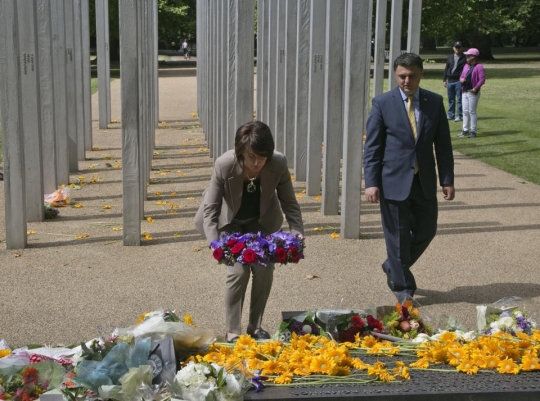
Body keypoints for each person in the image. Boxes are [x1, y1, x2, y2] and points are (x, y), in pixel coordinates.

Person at [195, 121, 304, 343]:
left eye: (262, 158)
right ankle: (233, 330)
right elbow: (211, 209)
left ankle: (255, 326)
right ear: (241, 152)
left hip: (261, 222)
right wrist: (215, 244)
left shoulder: (278, 163)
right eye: (251, 156)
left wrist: (297, 232)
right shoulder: (224, 165)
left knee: (264, 268)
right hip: (230, 222)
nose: (256, 163)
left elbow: (289, 202)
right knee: (238, 271)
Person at [363, 53, 455, 303]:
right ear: (395, 75)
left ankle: (393, 265)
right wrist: (370, 183)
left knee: (427, 230)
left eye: (412, 76)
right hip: (392, 180)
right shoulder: (382, 103)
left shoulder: (434, 102)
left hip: (423, 180)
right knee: (398, 236)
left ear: (421, 75)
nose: (406, 81)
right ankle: (404, 289)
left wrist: (447, 179)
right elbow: (372, 147)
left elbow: (443, 145)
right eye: (402, 76)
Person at [457, 48, 486, 138]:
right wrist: (461, 79)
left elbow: (482, 79)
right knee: (465, 111)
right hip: (464, 91)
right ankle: (465, 130)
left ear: (474, 57)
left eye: (468, 55)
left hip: (473, 92)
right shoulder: (466, 66)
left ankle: (473, 131)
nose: (467, 57)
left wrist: (475, 88)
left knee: (472, 111)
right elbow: (461, 76)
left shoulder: (479, 66)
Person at [443, 41, 466, 122]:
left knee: (459, 99)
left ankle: (459, 115)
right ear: (453, 48)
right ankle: (450, 115)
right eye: (456, 47)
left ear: (461, 48)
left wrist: (464, 78)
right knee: (451, 99)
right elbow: (447, 68)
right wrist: (444, 80)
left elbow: (466, 69)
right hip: (450, 81)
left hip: (458, 81)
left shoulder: (464, 58)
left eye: (459, 47)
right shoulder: (450, 57)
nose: (457, 49)